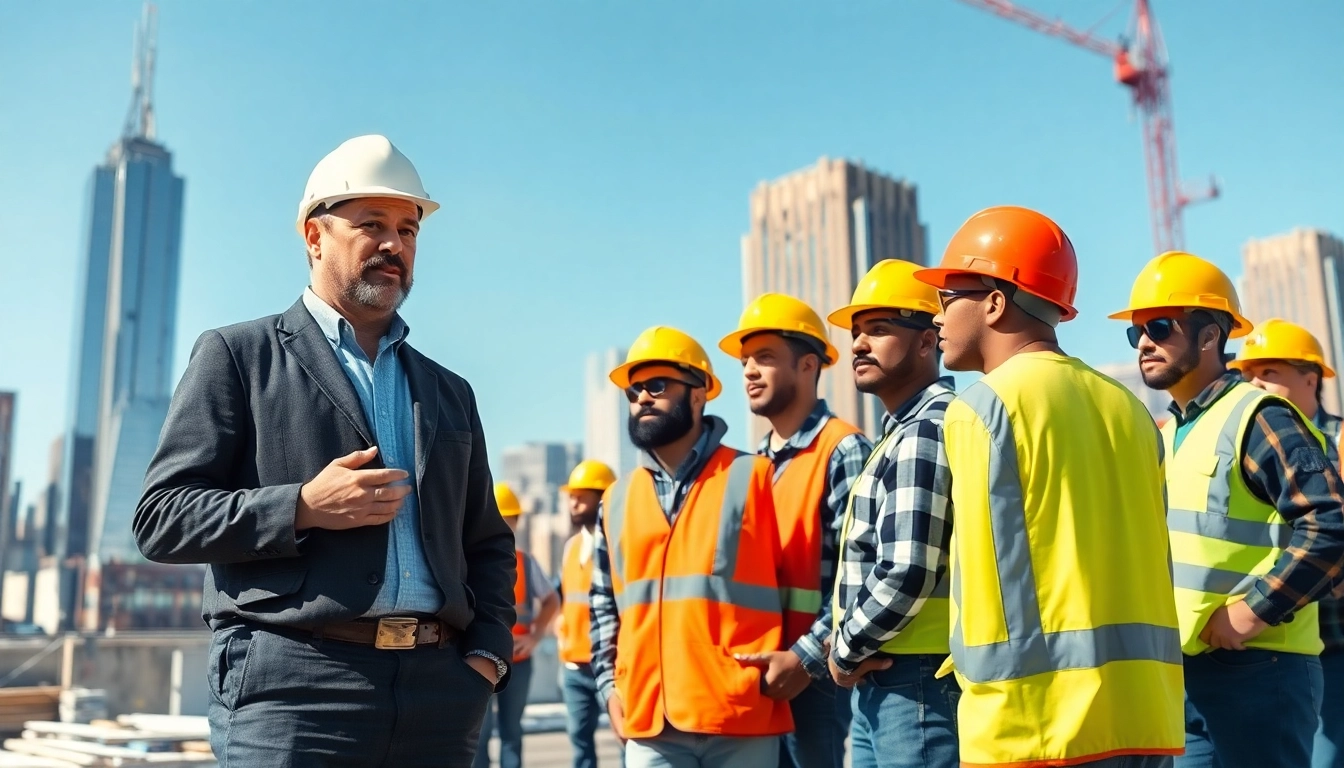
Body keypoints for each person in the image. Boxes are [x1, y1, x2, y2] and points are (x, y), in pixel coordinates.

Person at [133, 134, 515, 766]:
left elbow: (487, 541)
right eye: (371, 225)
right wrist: (302, 506)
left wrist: (486, 656)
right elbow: (162, 519)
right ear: (315, 236)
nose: (395, 245)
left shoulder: (450, 391)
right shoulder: (237, 356)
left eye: (408, 229)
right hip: (294, 690)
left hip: (441, 697)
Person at [917, 206, 1185, 767]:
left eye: (947, 298)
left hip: (1034, 726)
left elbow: (986, 578)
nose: (935, 319)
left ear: (995, 300)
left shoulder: (982, 409)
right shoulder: (1132, 409)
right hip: (1147, 717)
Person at [1112, 254, 1344, 768]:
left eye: (1159, 327)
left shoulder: (1259, 417)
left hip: (1262, 669)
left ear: (1211, 336)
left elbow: (1330, 525)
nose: (1144, 343)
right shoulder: (1169, 433)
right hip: (1190, 672)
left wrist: (1251, 611)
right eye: (1136, 333)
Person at [589, 326, 791, 768]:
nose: (642, 397)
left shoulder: (756, 476)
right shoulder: (617, 498)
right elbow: (603, 605)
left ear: (699, 395)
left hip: (739, 712)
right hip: (650, 720)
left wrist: (802, 659)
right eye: (633, 390)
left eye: (657, 385)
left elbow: (805, 582)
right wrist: (609, 688)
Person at [718, 294, 872, 768]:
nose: (748, 371)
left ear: (809, 365)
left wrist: (804, 659)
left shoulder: (842, 449)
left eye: (764, 358)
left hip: (815, 679)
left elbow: (861, 577)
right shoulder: (750, 466)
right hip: (756, 674)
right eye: (745, 360)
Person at [824, 260, 960, 768]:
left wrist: (843, 649)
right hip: (888, 674)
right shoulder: (899, 432)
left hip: (914, 681)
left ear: (928, 342)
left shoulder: (925, 430)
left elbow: (907, 567)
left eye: (878, 330)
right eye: (858, 331)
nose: (858, 344)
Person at [1228, 318, 1344, 768]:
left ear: (1310, 378)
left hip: (1333, 642)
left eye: (1269, 371)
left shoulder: (1339, 440)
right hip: (1267, 644)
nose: (1254, 382)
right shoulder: (1244, 441)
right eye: (1248, 373)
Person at [475, 483, 560, 768]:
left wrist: (535, 636)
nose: (502, 528)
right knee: (478, 735)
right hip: (479, 659)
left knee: (512, 732)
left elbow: (551, 600)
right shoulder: (466, 562)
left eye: (508, 522)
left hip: (518, 661)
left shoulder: (525, 563)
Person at [556, 460, 621, 768]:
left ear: (603, 498)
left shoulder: (621, 546)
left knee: (627, 743)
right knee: (580, 746)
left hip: (611, 664)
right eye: (571, 496)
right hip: (574, 666)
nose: (573, 502)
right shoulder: (570, 548)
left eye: (582, 496)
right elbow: (564, 598)